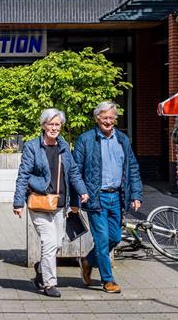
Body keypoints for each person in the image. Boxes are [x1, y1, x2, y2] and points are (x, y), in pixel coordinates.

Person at [13, 108, 89, 298]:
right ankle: (49, 284)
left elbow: (73, 173)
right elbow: (23, 175)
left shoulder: (64, 147)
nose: (54, 128)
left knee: (57, 242)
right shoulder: (32, 147)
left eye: (57, 124)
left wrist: (82, 192)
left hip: (59, 203)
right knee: (48, 241)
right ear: (43, 125)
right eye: (51, 124)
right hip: (39, 201)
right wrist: (18, 202)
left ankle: (41, 271)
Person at [72, 101, 143, 294]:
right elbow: (75, 170)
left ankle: (88, 261)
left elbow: (132, 168)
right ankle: (108, 280)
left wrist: (136, 194)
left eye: (112, 118)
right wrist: (76, 199)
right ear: (97, 119)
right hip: (96, 198)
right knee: (102, 239)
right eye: (105, 118)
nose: (108, 121)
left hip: (117, 197)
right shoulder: (86, 140)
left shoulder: (122, 140)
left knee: (115, 237)